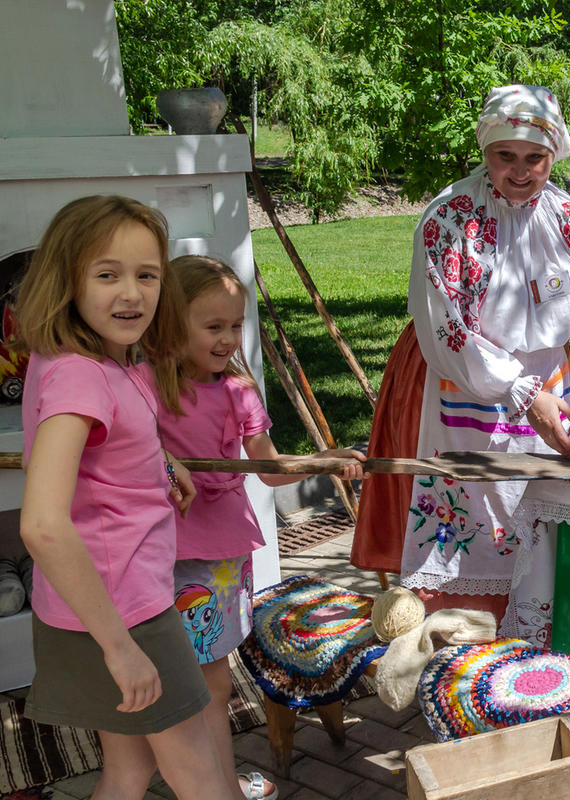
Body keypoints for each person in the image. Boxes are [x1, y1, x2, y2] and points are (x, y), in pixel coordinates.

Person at [352, 85, 570, 633]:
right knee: (468, 528)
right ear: (484, 149)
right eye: (505, 156)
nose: (521, 171)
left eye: (536, 158)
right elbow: (447, 328)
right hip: (457, 384)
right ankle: (460, 662)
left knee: (538, 521)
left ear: (555, 155)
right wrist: (521, 391)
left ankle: (535, 654)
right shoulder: (450, 218)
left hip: (546, 389)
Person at [15, 195, 238, 800]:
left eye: (147, 275)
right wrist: (120, 648)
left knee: (129, 771)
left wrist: (160, 459)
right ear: (68, 281)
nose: (132, 294)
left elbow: (98, 434)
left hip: (86, 605)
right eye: (107, 274)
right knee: (203, 778)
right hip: (125, 614)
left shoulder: (75, 359)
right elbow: (41, 525)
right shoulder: (81, 374)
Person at [148, 255, 365, 800]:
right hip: (167, 553)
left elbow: (268, 470)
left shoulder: (239, 392)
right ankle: (211, 784)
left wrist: (322, 459)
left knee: (211, 680)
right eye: (212, 326)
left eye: (235, 325)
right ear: (171, 324)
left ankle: (212, 782)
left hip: (220, 558)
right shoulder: (145, 388)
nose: (227, 339)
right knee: (203, 680)